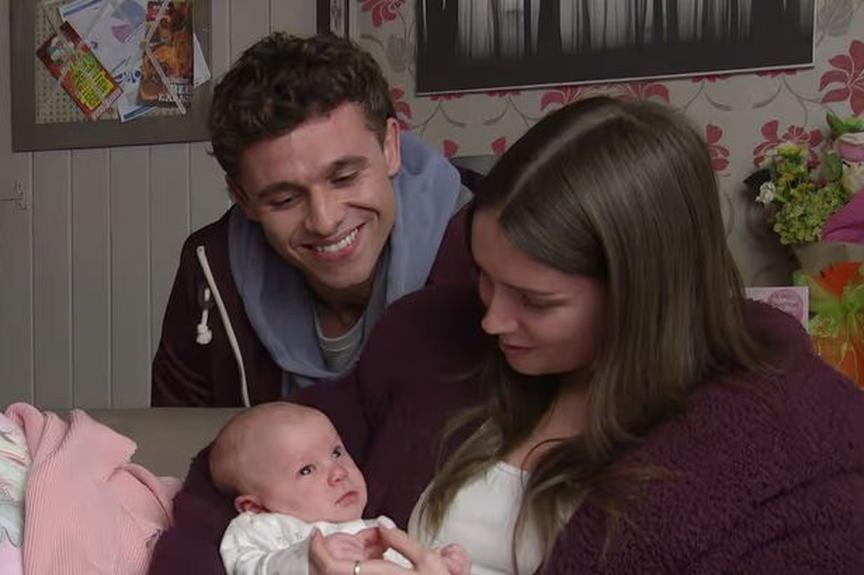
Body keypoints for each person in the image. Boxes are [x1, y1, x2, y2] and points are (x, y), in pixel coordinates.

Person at [150, 98, 864, 575]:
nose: (491, 320)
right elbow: (242, 467)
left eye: (536, 301)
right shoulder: (428, 339)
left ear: (643, 295)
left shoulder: (788, 443)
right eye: (486, 279)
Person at [151, 32, 475, 407]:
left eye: (344, 178)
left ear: (390, 148)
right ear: (243, 199)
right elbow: (176, 433)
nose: (324, 221)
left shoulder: (483, 247)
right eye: (285, 199)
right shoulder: (211, 268)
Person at [210, 402, 470, 575]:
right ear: (254, 506)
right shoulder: (262, 526)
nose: (339, 472)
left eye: (336, 452)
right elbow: (248, 568)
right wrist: (307, 562)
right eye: (306, 469)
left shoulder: (380, 530)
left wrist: (443, 564)